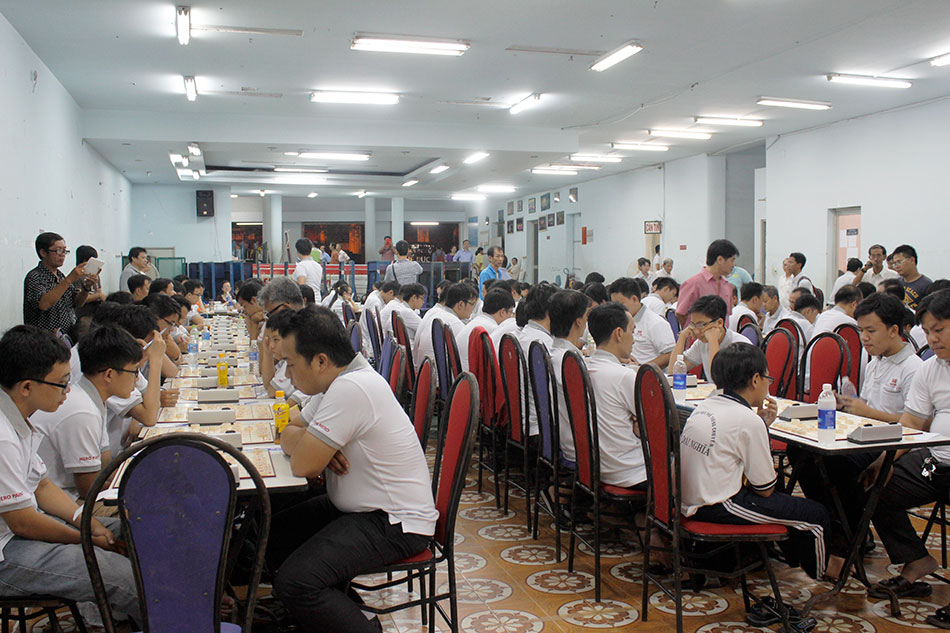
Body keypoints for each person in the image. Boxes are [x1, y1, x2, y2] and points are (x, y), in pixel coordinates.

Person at [267, 307, 436, 633]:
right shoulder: (337, 383)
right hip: (361, 508)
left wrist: (316, 446)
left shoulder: (352, 388)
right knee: (274, 534)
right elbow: (286, 430)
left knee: (297, 582)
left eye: (290, 363)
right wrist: (316, 444)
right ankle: (338, 615)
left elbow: (302, 464)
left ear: (320, 361)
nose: (287, 374)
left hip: (395, 521)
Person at [0, 325, 141, 623]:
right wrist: (84, 538)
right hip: (5, 550)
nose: (68, 392)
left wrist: (88, 523)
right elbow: (22, 521)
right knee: (121, 576)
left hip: (20, 529)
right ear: (27, 387)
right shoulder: (3, 436)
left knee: (137, 531)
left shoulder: (18, 418)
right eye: (62, 384)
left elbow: (42, 486)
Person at [792, 292, 923, 581]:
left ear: (893, 330)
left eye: (871, 331)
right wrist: (850, 405)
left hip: (894, 444)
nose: (864, 338)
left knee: (836, 466)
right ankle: (837, 529)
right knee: (801, 453)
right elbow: (867, 409)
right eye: (861, 330)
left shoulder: (914, 368)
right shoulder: (875, 361)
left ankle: (845, 544)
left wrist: (867, 411)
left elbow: (914, 424)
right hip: (865, 436)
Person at [680, 343, 830, 579]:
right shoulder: (747, 419)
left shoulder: (705, 406)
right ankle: (824, 574)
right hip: (717, 504)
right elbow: (765, 489)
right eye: (768, 378)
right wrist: (760, 428)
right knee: (816, 515)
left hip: (689, 498)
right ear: (756, 379)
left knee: (785, 498)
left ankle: (786, 557)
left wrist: (762, 426)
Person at [867, 290, 950, 608]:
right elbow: (911, 424)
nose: (932, 338)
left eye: (939, 329)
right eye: (927, 331)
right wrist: (885, 460)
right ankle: (915, 560)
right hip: (934, 462)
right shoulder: (931, 369)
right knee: (875, 485)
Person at [30, 325, 143, 504]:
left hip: (72, 496)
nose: (137, 379)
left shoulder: (92, 399)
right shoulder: (83, 411)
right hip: (66, 502)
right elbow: (88, 488)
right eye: (134, 372)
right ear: (109, 374)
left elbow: (106, 465)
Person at [585, 302, 648, 489]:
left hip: (595, 465)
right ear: (619, 333)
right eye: (632, 332)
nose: (634, 340)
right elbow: (652, 425)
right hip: (632, 470)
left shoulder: (584, 367)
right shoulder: (624, 376)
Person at [23, 233, 95, 337]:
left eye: (65, 251)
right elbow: (44, 304)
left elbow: (77, 302)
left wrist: (86, 288)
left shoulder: (60, 276)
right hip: (44, 338)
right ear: (43, 252)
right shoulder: (35, 276)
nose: (63, 254)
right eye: (58, 250)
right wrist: (69, 279)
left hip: (66, 336)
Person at [668, 295, 751, 380]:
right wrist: (682, 336)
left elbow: (719, 379)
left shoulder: (739, 345)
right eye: (693, 324)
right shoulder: (701, 343)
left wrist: (713, 340)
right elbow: (672, 372)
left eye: (701, 325)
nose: (696, 331)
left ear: (719, 323)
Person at [517, 283, 558, 436]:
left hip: (525, 421)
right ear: (551, 310)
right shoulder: (544, 345)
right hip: (540, 427)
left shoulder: (526, 334)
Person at [607, 277, 675, 367]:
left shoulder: (656, 323)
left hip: (646, 373)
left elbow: (670, 354)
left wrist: (642, 368)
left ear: (634, 299)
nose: (617, 309)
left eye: (620, 304)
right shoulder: (619, 320)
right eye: (614, 304)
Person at [414, 283, 476, 373]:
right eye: (472, 304)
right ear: (461, 304)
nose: (473, 309)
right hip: (438, 378)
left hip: (425, 374)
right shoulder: (455, 324)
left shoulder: (438, 315)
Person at [675, 239, 739, 327]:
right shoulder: (693, 284)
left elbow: (727, 316)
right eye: (732, 260)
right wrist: (694, 331)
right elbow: (681, 314)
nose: (733, 265)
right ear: (720, 260)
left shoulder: (727, 286)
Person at [455, 288, 515, 371]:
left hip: (461, 373)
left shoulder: (479, 321)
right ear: (502, 312)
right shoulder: (492, 329)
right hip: (471, 374)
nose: (511, 317)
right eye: (511, 312)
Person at [892, 244, 932, 311]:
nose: (896, 266)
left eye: (899, 262)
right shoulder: (896, 283)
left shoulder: (927, 284)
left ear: (912, 260)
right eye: (894, 264)